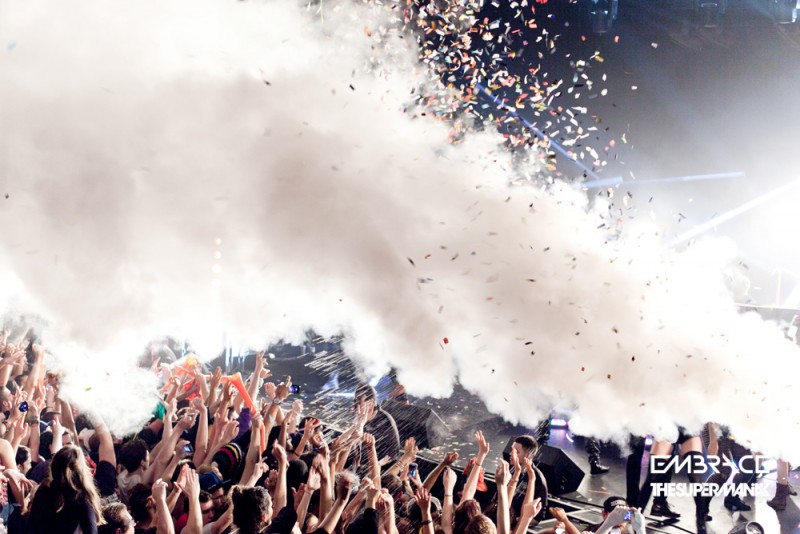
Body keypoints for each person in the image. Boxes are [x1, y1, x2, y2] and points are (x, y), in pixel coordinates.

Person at [27, 444, 103, 534]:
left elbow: (32, 524)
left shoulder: (44, 489)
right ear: (81, 470)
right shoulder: (82, 497)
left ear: (54, 465)